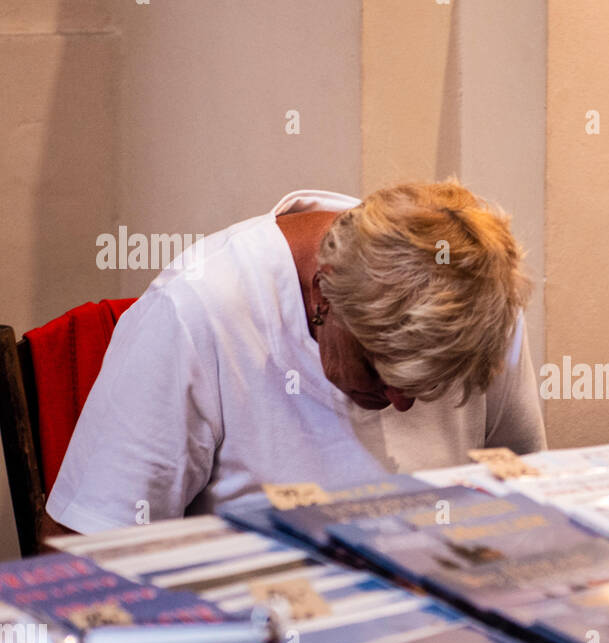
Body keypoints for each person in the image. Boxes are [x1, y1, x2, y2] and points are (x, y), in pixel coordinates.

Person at [44, 182, 546, 535]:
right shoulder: (199, 310)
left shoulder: (476, 302)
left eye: (429, 386)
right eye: (380, 367)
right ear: (324, 293)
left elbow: (524, 502)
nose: (402, 403)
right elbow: (87, 549)